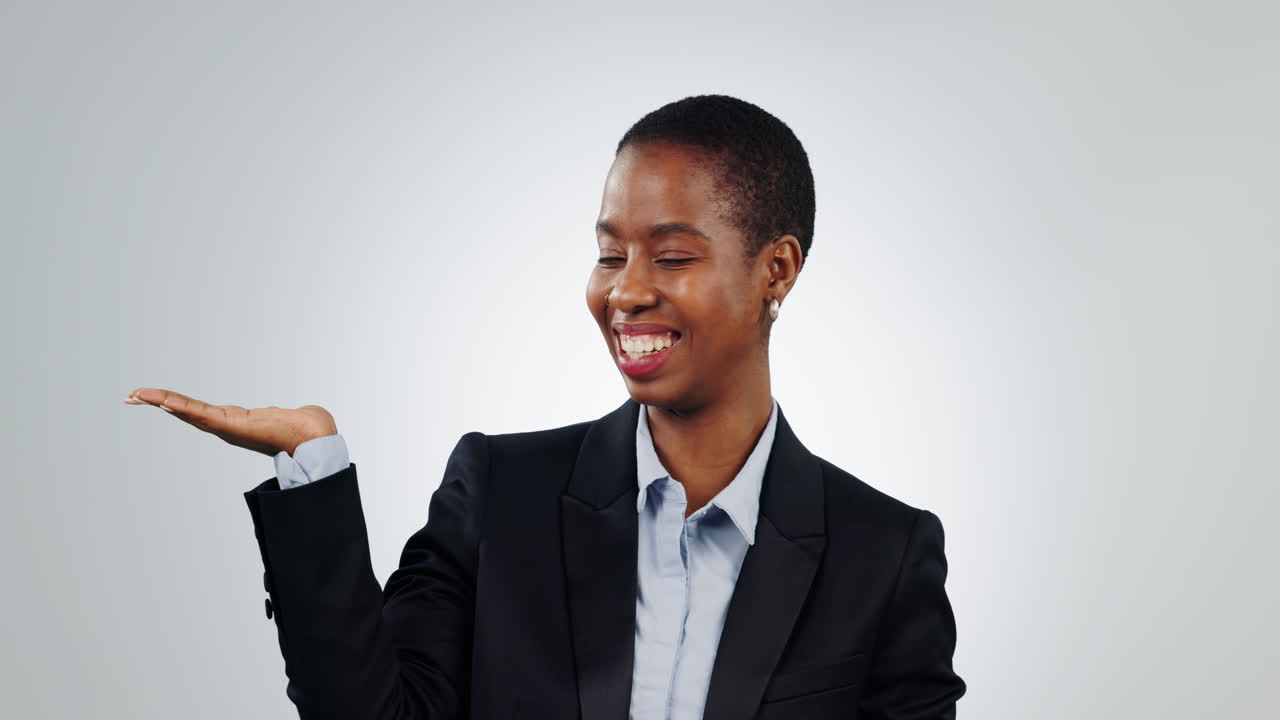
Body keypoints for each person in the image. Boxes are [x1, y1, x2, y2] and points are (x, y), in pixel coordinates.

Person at [125, 94, 965, 719]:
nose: (626, 291)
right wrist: (315, 472)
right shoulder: (500, 494)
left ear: (776, 271)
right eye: (609, 253)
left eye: (670, 255)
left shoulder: (883, 555)